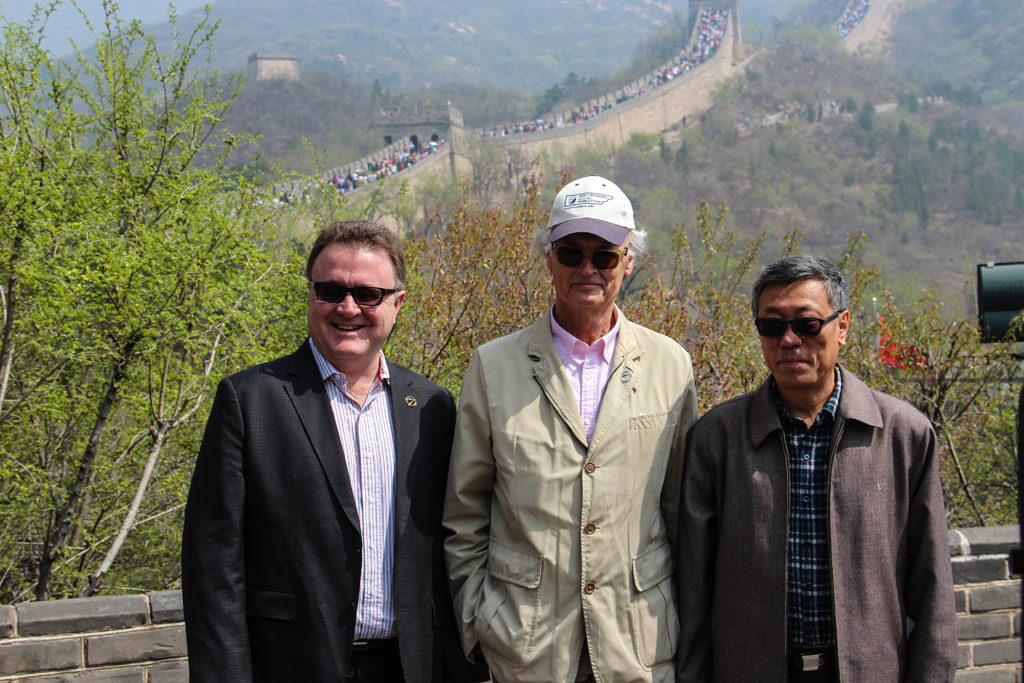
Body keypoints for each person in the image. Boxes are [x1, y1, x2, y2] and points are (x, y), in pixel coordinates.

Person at [182, 220, 485, 682]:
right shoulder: (250, 401)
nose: (348, 308)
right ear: (311, 295)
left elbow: (456, 543)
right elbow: (213, 569)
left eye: (368, 294)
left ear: (397, 303)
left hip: (412, 667)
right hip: (291, 666)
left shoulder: (431, 406)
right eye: (331, 290)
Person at [444, 175, 699, 682]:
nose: (587, 268)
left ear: (628, 263)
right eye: (571, 253)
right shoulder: (494, 366)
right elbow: (464, 512)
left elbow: (680, 511)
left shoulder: (671, 365)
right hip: (527, 646)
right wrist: (479, 619)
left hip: (638, 646)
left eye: (604, 256)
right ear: (549, 259)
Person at [677, 255, 956, 682]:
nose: (789, 340)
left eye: (807, 324)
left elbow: (933, 586)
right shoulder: (718, 437)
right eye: (772, 326)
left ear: (841, 326)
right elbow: (694, 588)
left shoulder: (904, 435)